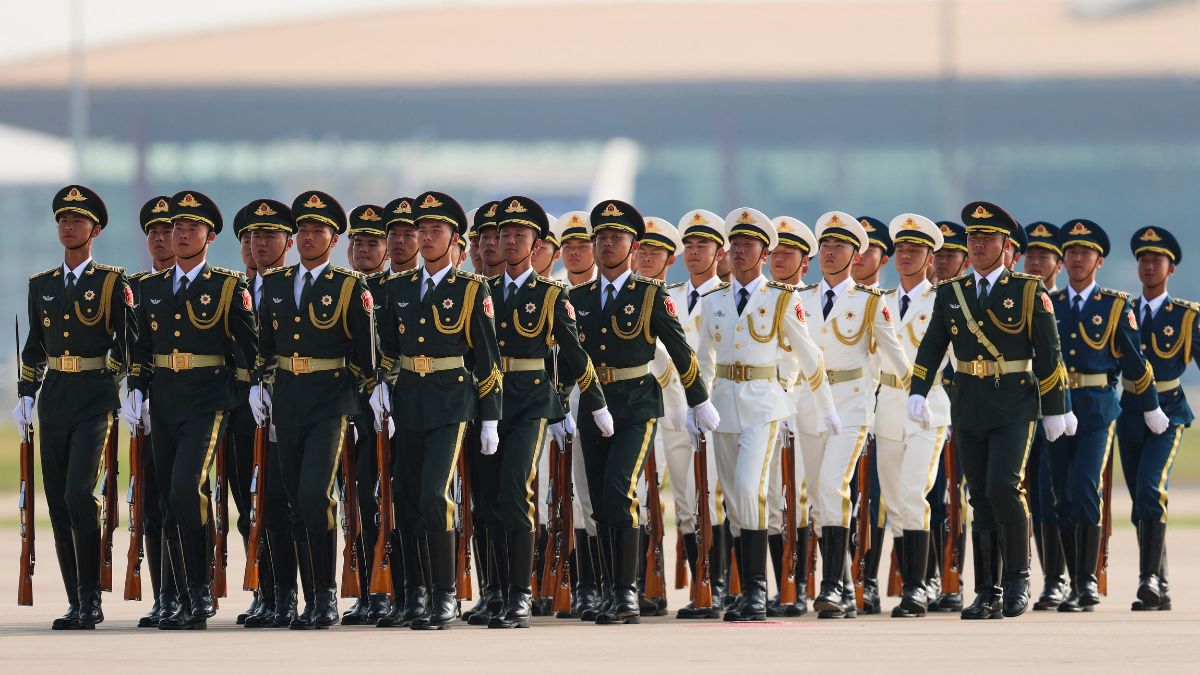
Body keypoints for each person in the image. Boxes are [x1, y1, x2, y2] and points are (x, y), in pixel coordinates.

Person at [907, 201, 1069, 620]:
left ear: (1006, 246)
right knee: (978, 495)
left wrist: (1056, 409)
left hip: (1015, 401)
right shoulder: (951, 292)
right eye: (973, 238)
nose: (977, 245)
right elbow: (932, 345)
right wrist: (918, 389)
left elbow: (1049, 354)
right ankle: (987, 590)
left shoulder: (1029, 290)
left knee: (1004, 485)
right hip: (968, 402)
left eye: (987, 238)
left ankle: (1018, 580)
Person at [569, 199, 718, 625]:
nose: (607, 244)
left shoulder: (650, 294)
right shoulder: (575, 297)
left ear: (633, 247)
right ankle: (603, 590)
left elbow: (680, 349)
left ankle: (626, 590)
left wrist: (699, 399)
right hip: (592, 403)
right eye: (601, 238)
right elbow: (563, 355)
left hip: (635, 404)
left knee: (619, 491)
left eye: (617, 238)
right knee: (598, 501)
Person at [125, 190, 258, 630]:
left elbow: (249, 347)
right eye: (176, 228)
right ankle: (181, 595)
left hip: (208, 401)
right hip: (163, 402)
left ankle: (200, 592)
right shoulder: (148, 288)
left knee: (186, 489)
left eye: (191, 229)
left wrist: (250, 391)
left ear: (209, 236)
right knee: (166, 497)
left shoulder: (226, 286)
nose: (181, 235)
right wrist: (137, 391)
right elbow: (141, 347)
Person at [696, 208, 837, 622]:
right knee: (734, 501)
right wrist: (697, 403)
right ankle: (747, 589)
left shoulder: (782, 299)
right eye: (735, 245)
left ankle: (756, 588)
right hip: (722, 403)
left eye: (748, 246)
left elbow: (810, 356)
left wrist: (826, 405)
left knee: (748, 488)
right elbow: (703, 359)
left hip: (764, 402)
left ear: (764, 252)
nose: (739, 252)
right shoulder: (713, 300)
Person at [372, 191, 503, 630]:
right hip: (408, 400)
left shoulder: (471, 289)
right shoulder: (396, 288)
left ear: (453, 240)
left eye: (435, 232)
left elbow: (487, 359)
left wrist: (489, 417)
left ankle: (446, 595)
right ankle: (415, 592)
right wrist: (382, 385)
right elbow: (387, 347)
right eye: (420, 231)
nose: (425, 239)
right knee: (406, 499)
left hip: (452, 403)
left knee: (434, 494)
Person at [483, 196, 610, 628]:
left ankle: (520, 596)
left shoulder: (551, 295)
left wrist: (594, 405)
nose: (511, 242)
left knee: (517, 489)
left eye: (521, 236)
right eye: (505, 235)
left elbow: (576, 357)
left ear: (536, 244)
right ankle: (498, 591)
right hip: (488, 404)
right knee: (491, 501)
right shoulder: (478, 292)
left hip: (531, 403)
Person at [250, 192, 374, 629]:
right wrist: (259, 385)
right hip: (287, 400)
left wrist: (363, 401)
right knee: (290, 501)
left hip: (331, 401)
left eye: (317, 230)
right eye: (302, 230)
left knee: (314, 494)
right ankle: (307, 598)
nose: (307, 237)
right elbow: (265, 344)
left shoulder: (348, 285)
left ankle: (325, 596)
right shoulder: (279, 284)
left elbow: (365, 353)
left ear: (334, 238)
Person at [15, 185, 133, 629]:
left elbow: (127, 341)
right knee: (58, 503)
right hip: (56, 399)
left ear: (95, 230)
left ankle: (92, 596)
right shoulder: (41, 285)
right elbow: (34, 347)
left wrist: (121, 382)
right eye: (63, 220)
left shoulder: (111, 282)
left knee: (80, 493)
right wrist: (26, 393)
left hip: (95, 397)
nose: (68, 227)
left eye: (78, 221)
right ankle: (76, 600)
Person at [1047, 219, 1165, 613]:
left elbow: (1135, 361)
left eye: (1085, 253)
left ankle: (1087, 582)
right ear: (1063, 261)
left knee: (1084, 487)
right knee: (1061, 493)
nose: (1077, 259)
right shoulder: (1052, 305)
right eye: (1072, 252)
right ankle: (1072, 583)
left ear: (1098, 260)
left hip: (1098, 407)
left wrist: (1150, 405)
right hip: (1057, 406)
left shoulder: (1115, 305)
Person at [873, 214, 947, 617]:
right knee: (895, 501)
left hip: (928, 407)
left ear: (930, 258)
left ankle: (916, 587)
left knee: (914, 492)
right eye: (900, 249)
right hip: (887, 405)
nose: (905, 256)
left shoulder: (943, 301)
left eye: (914, 250)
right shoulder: (878, 302)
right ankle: (913, 579)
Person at [241, 199, 306, 630]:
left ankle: (287, 593)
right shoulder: (234, 290)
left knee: (285, 501)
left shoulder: (289, 289)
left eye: (266, 236)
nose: (256, 245)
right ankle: (265, 591)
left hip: (288, 406)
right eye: (249, 237)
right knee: (249, 503)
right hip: (240, 407)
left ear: (288, 242)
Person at [1120, 226, 1191, 612]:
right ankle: (1159, 581)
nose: (1149, 266)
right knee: (1138, 501)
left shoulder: (1185, 316)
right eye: (1143, 260)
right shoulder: (1121, 311)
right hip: (1130, 410)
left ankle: (1147, 579)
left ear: (1171, 269)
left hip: (1169, 411)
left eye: (1156, 260)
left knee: (1150, 489)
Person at [341, 204, 393, 625]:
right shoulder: (343, 289)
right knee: (356, 499)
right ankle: (366, 586)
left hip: (391, 410)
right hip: (351, 408)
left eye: (372, 243)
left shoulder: (394, 290)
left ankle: (390, 585)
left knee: (386, 499)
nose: (362, 249)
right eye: (356, 242)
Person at [764, 215, 818, 617]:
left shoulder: (812, 299)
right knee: (768, 500)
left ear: (805, 262)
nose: (779, 260)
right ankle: (779, 580)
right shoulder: (758, 296)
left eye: (789, 254)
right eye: (775, 253)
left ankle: (799, 584)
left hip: (804, 407)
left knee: (799, 497)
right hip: (764, 407)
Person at [129, 196, 177, 629]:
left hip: (191, 406)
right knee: (151, 505)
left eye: (168, 231)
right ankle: (163, 593)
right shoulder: (138, 289)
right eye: (154, 232)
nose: (161, 239)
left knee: (181, 498)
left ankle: (186, 589)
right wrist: (134, 391)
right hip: (149, 408)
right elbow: (129, 349)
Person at [1021, 222, 1070, 610]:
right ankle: (1038, 578)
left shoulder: (1069, 305)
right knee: (1031, 498)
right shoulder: (1016, 299)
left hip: (1061, 414)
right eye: (1030, 255)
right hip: (1020, 410)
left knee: (1055, 496)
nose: (1036, 263)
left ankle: (1060, 578)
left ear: (1059, 263)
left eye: (1044, 256)